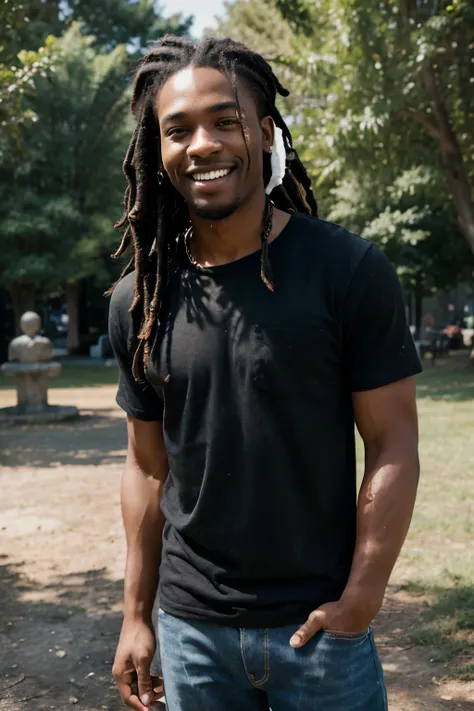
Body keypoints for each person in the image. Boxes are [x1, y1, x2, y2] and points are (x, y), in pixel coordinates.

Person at [108, 35, 422, 711]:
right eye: (179, 130)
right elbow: (146, 466)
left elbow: (393, 442)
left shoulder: (348, 271)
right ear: (157, 153)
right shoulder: (139, 300)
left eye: (226, 120)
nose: (203, 144)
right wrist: (137, 614)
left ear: (267, 129)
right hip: (192, 633)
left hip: (322, 632)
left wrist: (362, 596)